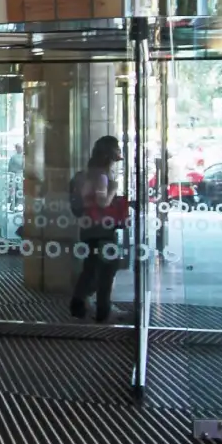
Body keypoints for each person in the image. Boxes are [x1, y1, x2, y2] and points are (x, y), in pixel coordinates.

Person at [69, 135, 127, 323]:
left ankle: (80, 305)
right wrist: (114, 188)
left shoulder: (85, 173)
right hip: (102, 228)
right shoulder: (101, 175)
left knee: (91, 267)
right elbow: (103, 201)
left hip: (89, 228)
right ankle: (103, 310)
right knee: (107, 270)